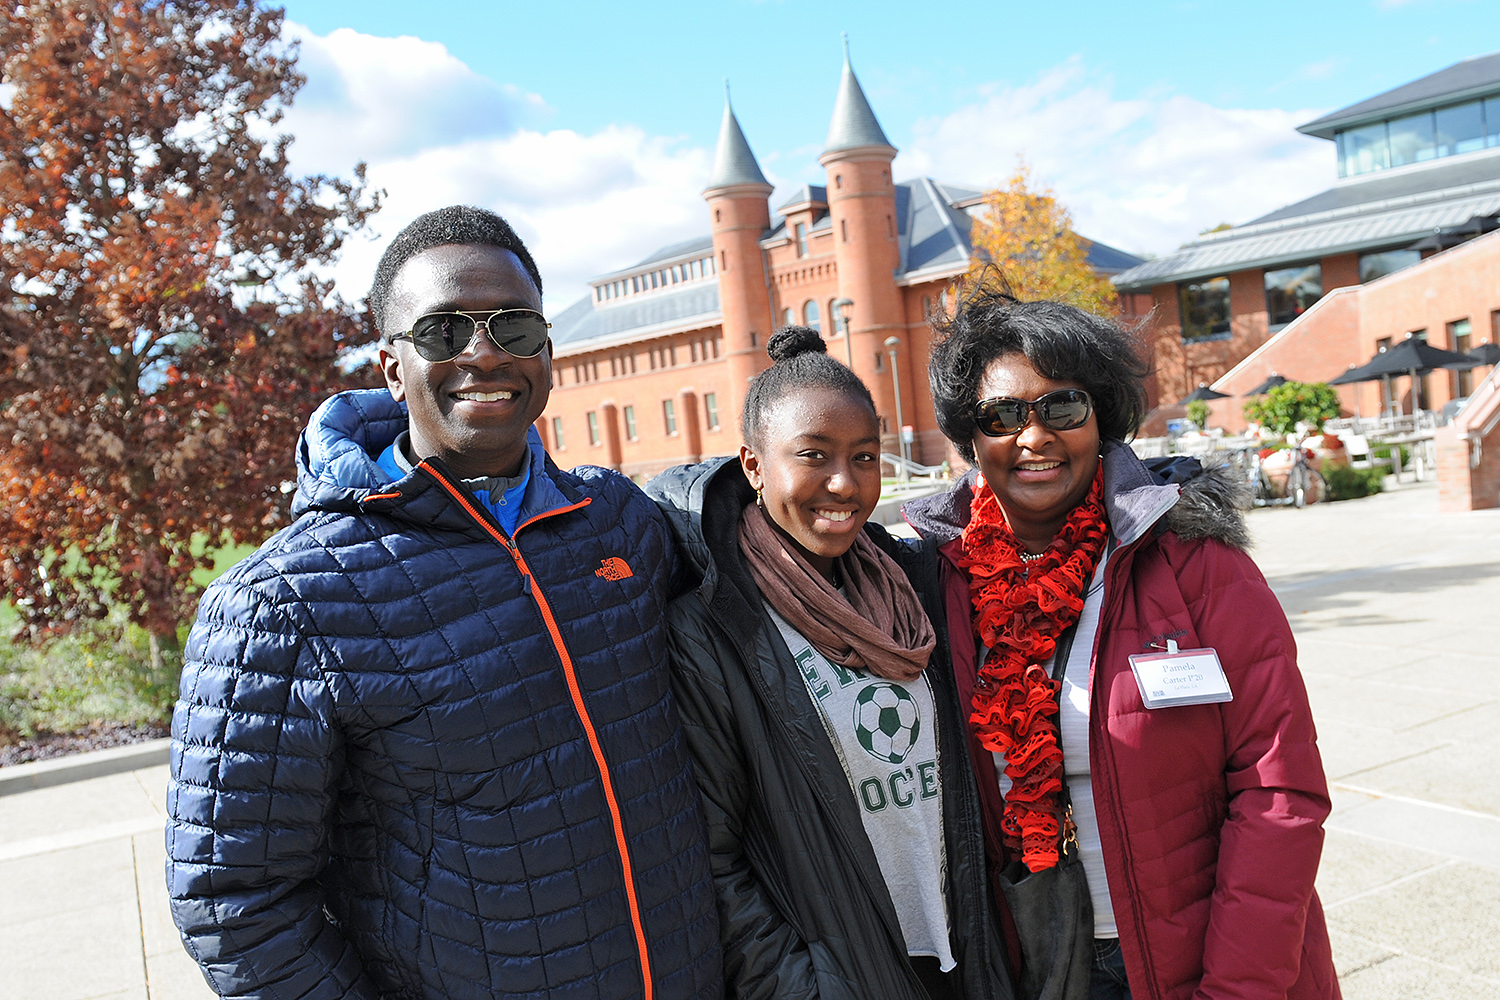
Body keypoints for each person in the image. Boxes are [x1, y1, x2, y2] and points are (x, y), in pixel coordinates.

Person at [165, 205, 723, 1000]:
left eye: (514, 327)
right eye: (443, 332)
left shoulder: (619, 524)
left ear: (548, 352)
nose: (485, 353)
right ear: (392, 366)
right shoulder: (281, 604)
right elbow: (233, 903)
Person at [903, 286, 1341, 1000]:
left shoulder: (1200, 567)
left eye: (1062, 407)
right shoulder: (933, 583)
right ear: (970, 437)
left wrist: (1235, 989)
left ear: (1101, 417)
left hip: (1202, 965)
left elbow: (1278, 792)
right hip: (1030, 963)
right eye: (1002, 415)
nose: (1034, 436)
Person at [646, 327, 1013, 1000]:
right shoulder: (712, 631)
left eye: (865, 457)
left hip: (964, 957)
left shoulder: (913, 583)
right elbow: (713, 859)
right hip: (841, 973)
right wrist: (804, 986)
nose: (843, 483)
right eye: (813, 455)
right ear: (754, 466)